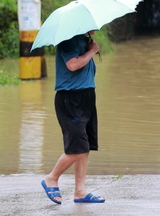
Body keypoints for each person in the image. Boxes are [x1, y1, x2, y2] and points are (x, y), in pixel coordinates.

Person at [41, 30, 105, 204]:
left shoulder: (84, 40)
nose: (96, 28)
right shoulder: (68, 39)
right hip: (70, 98)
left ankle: (80, 191)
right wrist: (92, 51)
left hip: (86, 97)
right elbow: (72, 65)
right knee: (78, 146)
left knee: (86, 145)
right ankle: (51, 178)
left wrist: (89, 48)